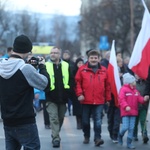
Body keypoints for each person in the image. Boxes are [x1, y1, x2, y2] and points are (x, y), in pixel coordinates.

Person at [0, 34, 50, 150]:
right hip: (25, 121)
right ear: (28, 50)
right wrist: (42, 67)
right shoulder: (25, 69)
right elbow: (44, 84)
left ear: (14, 48)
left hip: (7, 120)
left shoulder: (1, 66)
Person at [75, 50, 111, 146]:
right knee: (85, 121)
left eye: (95, 58)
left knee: (98, 121)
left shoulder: (104, 70)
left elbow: (107, 86)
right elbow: (78, 83)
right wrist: (79, 94)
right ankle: (86, 135)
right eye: (92, 58)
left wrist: (107, 99)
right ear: (88, 59)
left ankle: (97, 138)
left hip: (99, 101)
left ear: (99, 59)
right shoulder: (82, 70)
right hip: (86, 100)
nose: (94, 60)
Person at [45, 46, 72, 148]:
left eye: (55, 53)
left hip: (63, 97)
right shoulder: (46, 65)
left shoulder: (66, 65)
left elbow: (71, 80)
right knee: (54, 118)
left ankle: (55, 133)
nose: (53, 54)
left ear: (59, 54)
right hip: (50, 97)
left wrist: (69, 92)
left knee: (60, 118)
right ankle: (56, 138)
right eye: (51, 52)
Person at [118, 73, 149, 149]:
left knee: (131, 128)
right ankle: (120, 135)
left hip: (133, 112)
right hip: (125, 112)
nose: (135, 82)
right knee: (125, 127)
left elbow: (139, 98)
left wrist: (144, 100)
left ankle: (129, 143)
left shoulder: (135, 91)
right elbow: (121, 100)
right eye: (134, 81)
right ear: (129, 82)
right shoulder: (123, 89)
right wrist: (126, 106)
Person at [133, 74, 149, 143]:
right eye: (137, 74)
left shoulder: (146, 83)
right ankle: (134, 134)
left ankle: (144, 134)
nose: (139, 75)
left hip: (143, 105)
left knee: (143, 120)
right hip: (134, 106)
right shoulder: (133, 83)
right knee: (135, 122)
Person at [72, 57, 84, 129]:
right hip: (75, 93)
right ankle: (78, 122)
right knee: (77, 109)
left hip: (84, 92)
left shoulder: (85, 71)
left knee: (83, 109)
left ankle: (83, 122)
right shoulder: (74, 71)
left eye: (82, 63)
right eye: (79, 63)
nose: (81, 65)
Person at [62, 50, 74, 116]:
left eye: (66, 55)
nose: (65, 56)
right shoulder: (60, 63)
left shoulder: (72, 64)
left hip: (70, 84)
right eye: (64, 55)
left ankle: (69, 109)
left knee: (69, 99)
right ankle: (65, 110)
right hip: (62, 84)